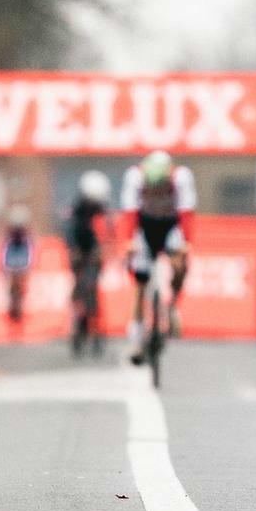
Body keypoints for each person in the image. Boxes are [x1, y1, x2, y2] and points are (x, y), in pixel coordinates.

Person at [119, 149, 195, 363]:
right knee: (140, 284)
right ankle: (136, 341)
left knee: (180, 263)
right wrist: (129, 241)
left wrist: (187, 243)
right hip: (145, 227)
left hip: (170, 226)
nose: (156, 192)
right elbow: (130, 214)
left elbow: (186, 213)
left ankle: (172, 306)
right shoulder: (135, 177)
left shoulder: (181, 178)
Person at [66, 170, 111, 353]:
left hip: (93, 255)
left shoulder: (102, 211)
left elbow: (107, 232)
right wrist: (73, 250)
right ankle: (78, 320)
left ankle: (96, 327)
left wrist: (103, 250)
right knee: (78, 288)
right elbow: (69, 232)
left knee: (91, 288)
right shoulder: (76, 210)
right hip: (79, 254)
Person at [0, 205, 34, 325]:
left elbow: (30, 254)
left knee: (20, 286)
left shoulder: (27, 240)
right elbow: (3, 255)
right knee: (12, 287)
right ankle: (13, 308)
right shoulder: (8, 240)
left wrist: (27, 267)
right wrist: (4, 268)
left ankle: (19, 308)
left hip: (22, 264)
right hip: (12, 264)